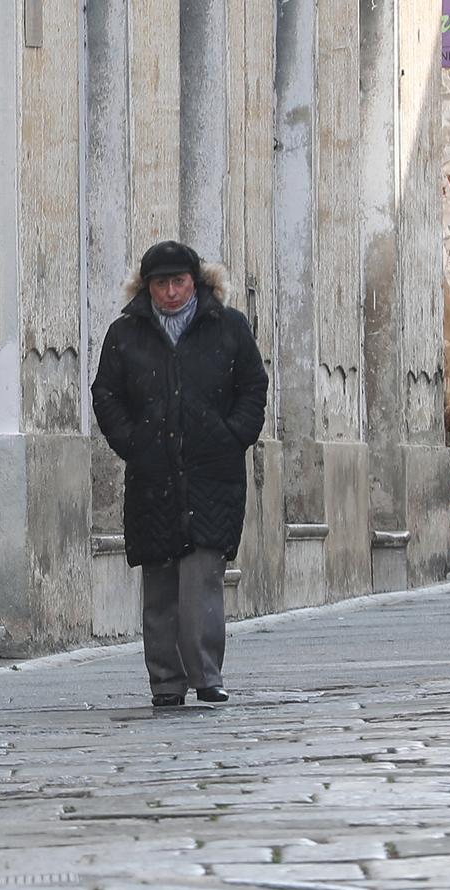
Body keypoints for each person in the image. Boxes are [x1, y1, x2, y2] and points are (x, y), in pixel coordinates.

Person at [90, 240, 268, 708]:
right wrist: (133, 442)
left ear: (196, 282)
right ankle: (166, 681)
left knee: (202, 580)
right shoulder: (126, 333)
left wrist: (233, 436)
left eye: (178, 282)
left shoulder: (228, 327)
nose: (170, 292)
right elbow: (106, 394)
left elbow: (252, 386)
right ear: (146, 287)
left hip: (213, 473)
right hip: (152, 476)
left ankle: (206, 674)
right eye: (160, 283)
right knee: (161, 582)